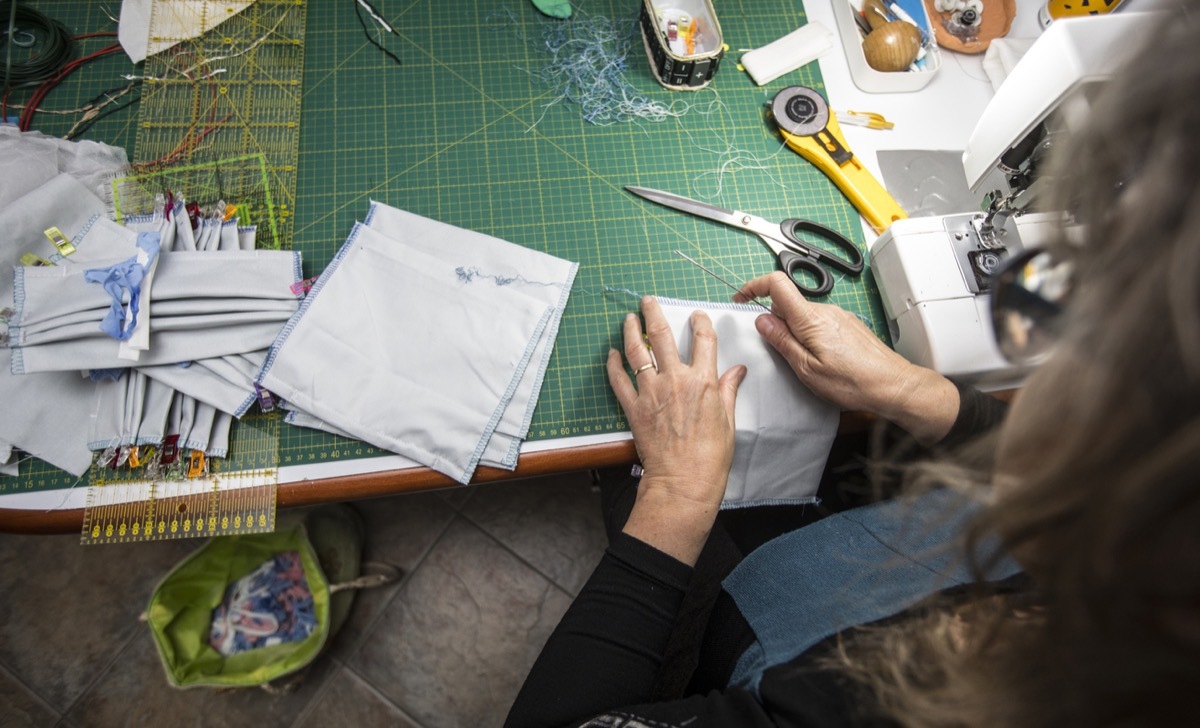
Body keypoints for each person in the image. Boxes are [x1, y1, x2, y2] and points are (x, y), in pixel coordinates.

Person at [506, 5, 1200, 726]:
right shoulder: (1158, 515)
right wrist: (917, 391)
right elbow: (1088, 476)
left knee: (645, 483)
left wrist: (676, 493)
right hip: (945, 580)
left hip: (802, 649)